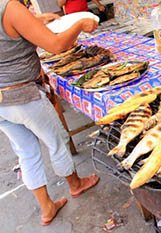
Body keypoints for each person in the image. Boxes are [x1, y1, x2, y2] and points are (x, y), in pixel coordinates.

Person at [0, 0, 100, 226]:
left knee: (26, 152)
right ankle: (76, 184)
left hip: (1, 102)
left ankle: (47, 208)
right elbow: (57, 46)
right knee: (57, 140)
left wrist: (36, 21)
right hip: (22, 94)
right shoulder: (10, 7)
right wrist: (80, 25)